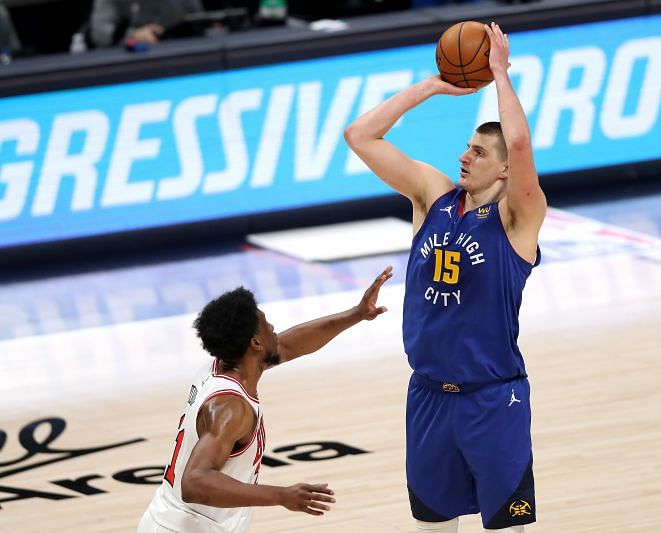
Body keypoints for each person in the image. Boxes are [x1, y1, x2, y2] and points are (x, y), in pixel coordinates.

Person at [345, 22, 546, 532]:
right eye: (467, 147)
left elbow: (519, 144)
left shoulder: (517, 219)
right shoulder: (432, 197)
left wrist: (499, 73)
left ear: (503, 172)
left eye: (479, 153)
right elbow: (360, 135)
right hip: (429, 395)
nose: (464, 156)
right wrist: (433, 86)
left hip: (493, 399)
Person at [138, 266, 393, 532]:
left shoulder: (226, 365)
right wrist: (281, 496)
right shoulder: (230, 407)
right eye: (265, 323)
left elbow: (290, 345)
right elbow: (194, 482)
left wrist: (355, 314)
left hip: (169, 519)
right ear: (255, 344)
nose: (273, 327)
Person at [90, 0, 203, 48]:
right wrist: (132, 36)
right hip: (130, 59)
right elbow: (100, 32)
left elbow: (196, 17)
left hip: (175, 49)